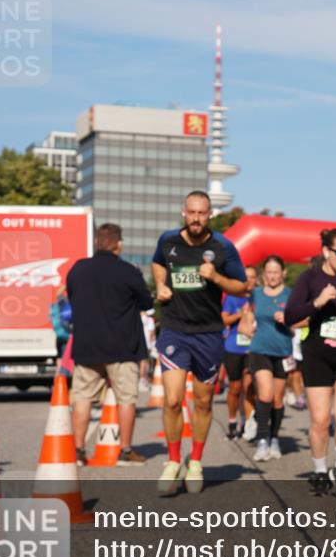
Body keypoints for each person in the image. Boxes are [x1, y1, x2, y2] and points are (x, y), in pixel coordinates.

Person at [152, 191, 247, 494]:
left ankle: (195, 462)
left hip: (208, 332)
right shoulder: (168, 241)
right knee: (171, 398)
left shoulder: (223, 247)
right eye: (191, 213)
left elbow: (242, 287)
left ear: (209, 215)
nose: (196, 218)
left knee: (203, 402)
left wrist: (217, 278)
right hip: (174, 329)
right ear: (184, 213)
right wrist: (160, 285)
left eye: (202, 213)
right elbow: (157, 263)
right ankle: (172, 461)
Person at [285, 229, 336, 499]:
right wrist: (318, 302)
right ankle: (320, 469)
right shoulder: (310, 278)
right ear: (326, 252)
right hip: (318, 355)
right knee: (320, 421)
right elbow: (290, 316)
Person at [67, 223, 154, 467]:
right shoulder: (128, 271)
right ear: (119, 244)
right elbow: (146, 302)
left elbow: (73, 297)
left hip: (87, 346)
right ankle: (126, 449)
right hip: (122, 347)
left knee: (83, 398)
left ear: (97, 242)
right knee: (126, 399)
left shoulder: (78, 269)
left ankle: (78, 450)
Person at [245, 255, 298, 462]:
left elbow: (301, 322)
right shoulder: (256, 294)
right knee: (265, 395)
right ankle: (262, 441)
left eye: (276, 272)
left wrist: (289, 321)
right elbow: (247, 316)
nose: (273, 276)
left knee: (277, 400)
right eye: (269, 272)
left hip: (282, 352)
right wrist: (247, 325)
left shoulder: (291, 295)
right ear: (263, 274)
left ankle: (274, 438)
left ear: (283, 273)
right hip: (260, 349)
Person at [222, 266, 256, 439]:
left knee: (249, 386)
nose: (249, 280)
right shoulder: (232, 297)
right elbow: (224, 319)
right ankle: (232, 420)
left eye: (252, 277)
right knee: (235, 387)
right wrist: (240, 314)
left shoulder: (259, 297)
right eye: (246, 277)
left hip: (254, 347)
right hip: (234, 347)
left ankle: (248, 422)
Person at [138, 309, 157, 393]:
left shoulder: (136, 317)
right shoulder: (149, 320)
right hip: (146, 343)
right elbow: (152, 334)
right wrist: (153, 345)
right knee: (144, 362)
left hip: (137, 342)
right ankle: (142, 381)